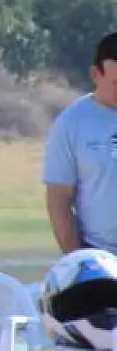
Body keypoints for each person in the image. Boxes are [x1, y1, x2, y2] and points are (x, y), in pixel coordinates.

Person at [45, 33, 117, 255]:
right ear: (96, 74)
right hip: (99, 256)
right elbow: (59, 200)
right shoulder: (72, 123)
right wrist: (77, 262)